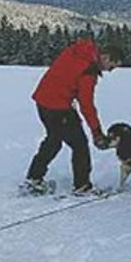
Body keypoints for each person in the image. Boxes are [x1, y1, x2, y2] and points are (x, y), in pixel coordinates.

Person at [24, 39, 123, 196]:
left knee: (54, 140)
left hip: (43, 101)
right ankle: (82, 186)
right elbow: (86, 105)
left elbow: (67, 75)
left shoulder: (77, 51)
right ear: (105, 57)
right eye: (112, 66)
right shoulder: (89, 71)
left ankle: (34, 179)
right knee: (79, 145)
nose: (110, 71)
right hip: (58, 107)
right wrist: (97, 133)